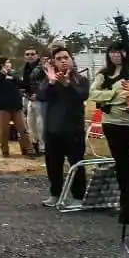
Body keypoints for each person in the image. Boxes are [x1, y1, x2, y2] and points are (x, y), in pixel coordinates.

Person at [37, 46, 90, 208]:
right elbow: (41, 96)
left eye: (66, 58)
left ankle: (78, 196)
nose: (63, 61)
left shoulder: (80, 80)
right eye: (59, 59)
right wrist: (52, 81)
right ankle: (55, 194)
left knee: (77, 164)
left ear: (71, 59)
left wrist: (67, 84)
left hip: (73, 130)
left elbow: (82, 95)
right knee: (53, 164)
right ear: (54, 62)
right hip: (53, 130)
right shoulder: (49, 80)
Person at [90, 42, 129, 196]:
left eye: (119, 51)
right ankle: (125, 197)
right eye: (112, 52)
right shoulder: (103, 74)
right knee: (121, 162)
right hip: (112, 123)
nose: (116, 55)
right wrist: (112, 94)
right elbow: (93, 94)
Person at [0, 57, 33, 158]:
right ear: (1, 65)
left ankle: (28, 149)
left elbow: (23, 85)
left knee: (23, 129)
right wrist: (3, 75)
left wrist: (11, 77)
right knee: (5, 130)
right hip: (2, 107)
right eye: (7, 62)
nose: (10, 64)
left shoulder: (12, 76)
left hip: (16, 106)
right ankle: (5, 150)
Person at [20, 47, 46, 156]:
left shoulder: (42, 66)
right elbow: (24, 84)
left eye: (32, 54)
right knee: (31, 123)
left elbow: (47, 82)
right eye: (27, 54)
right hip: (29, 98)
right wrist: (27, 94)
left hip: (41, 99)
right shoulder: (25, 68)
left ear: (37, 55)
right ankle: (35, 143)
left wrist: (38, 94)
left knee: (41, 124)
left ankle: (43, 147)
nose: (30, 56)